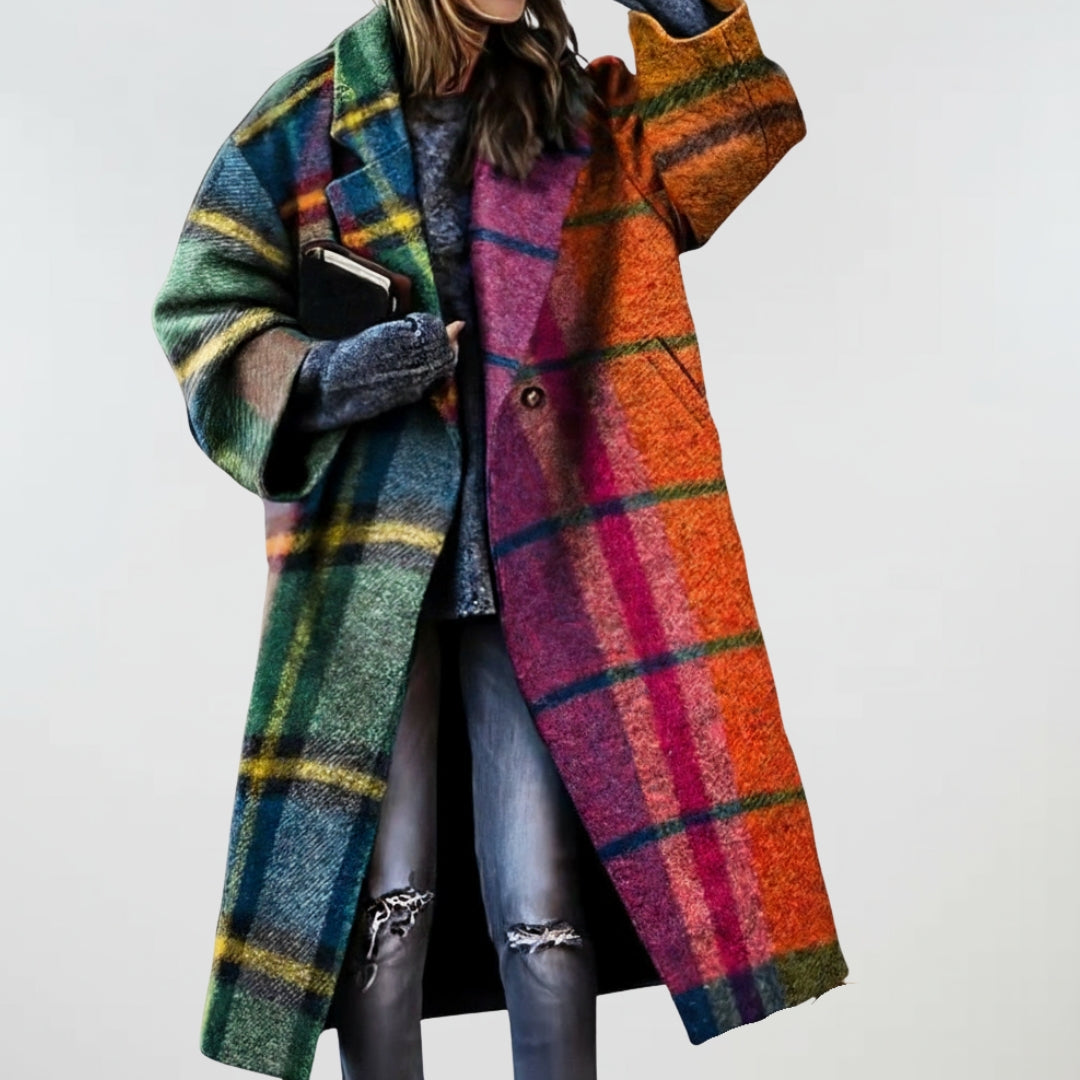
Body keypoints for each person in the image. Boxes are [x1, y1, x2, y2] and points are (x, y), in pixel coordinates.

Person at [152, 0, 847, 1078]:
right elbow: (203, 315)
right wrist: (334, 375)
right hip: (371, 572)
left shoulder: (587, 119)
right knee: (385, 909)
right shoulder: (301, 125)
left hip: (555, 565)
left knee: (544, 909)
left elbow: (731, 141)